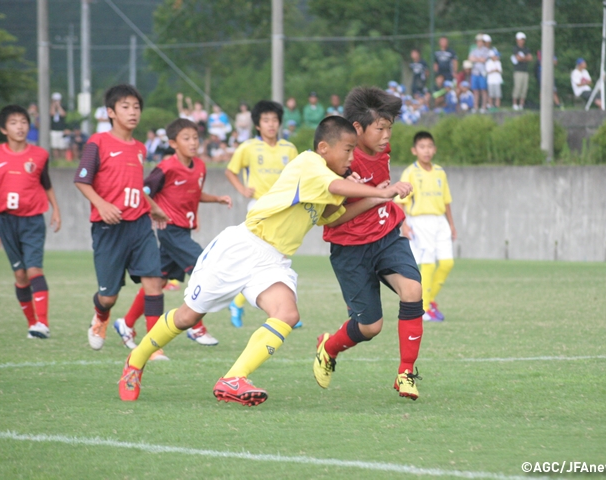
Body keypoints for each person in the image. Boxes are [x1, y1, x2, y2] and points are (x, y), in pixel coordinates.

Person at [117, 115, 413, 405]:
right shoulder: (309, 163)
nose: (352, 157)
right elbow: (335, 188)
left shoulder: (331, 178)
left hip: (273, 260)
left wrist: (377, 199)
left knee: (287, 314)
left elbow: (332, 217)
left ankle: (234, 378)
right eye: (348, 150)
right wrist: (380, 190)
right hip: (243, 247)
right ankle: (135, 361)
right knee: (187, 317)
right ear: (324, 147)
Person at [315, 86, 425, 401]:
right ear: (358, 128)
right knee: (370, 327)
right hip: (351, 250)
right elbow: (330, 219)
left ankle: (406, 373)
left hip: (387, 237)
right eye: (381, 128)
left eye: (390, 128)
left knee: (413, 290)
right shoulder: (336, 165)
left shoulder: (382, 153)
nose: (387, 135)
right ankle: (329, 347)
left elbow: (381, 190)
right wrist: (379, 193)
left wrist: (385, 196)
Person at [114, 118, 232, 349]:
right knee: (204, 267)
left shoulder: (199, 166)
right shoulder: (166, 167)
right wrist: (155, 210)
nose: (193, 142)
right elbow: (144, 190)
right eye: (186, 138)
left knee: (157, 281)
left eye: (195, 138)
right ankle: (197, 327)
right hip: (169, 230)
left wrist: (217, 198)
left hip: (183, 231)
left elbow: (193, 194)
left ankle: (126, 323)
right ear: (173, 143)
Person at [74, 84, 169, 354]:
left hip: (139, 225)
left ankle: (153, 346)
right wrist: (102, 205)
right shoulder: (98, 142)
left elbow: (135, 185)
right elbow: (82, 180)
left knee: (154, 282)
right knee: (109, 296)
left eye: (136, 107)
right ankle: (101, 317)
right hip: (109, 228)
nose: (132, 112)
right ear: (111, 112)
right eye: (125, 107)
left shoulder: (140, 147)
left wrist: (152, 206)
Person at [224, 100, 298, 328]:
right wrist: (242, 189)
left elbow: (297, 177)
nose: (271, 124)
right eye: (266, 120)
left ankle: (244, 304)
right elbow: (230, 171)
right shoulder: (248, 148)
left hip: (283, 209)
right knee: (267, 258)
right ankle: (284, 311)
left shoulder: (289, 149)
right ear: (257, 125)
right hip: (258, 208)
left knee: (279, 258)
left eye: (274, 120)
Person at [0, 105, 62, 339]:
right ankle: (32, 323)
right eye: (13, 122)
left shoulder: (40, 155)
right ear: (3, 128)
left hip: (33, 220)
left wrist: (56, 210)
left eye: (23, 121)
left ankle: (43, 323)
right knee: (20, 275)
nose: (20, 126)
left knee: (33, 270)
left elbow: (47, 183)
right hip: (6, 221)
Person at [397, 131, 456, 323]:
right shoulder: (410, 172)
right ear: (415, 150)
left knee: (447, 263)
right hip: (420, 222)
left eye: (430, 146)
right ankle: (423, 309)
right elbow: (400, 202)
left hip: (440, 221)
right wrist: (404, 225)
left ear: (434, 149)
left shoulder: (440, 172)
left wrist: (452, 225)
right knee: (428, 263)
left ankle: (429, 300)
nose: (427, 151)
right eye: (422, 147)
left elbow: (446, 200)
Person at [469, 33, 490, 112]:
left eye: (481, 41)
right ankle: (476, 106)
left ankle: (483, 106)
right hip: (475, 72)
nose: (479, 43)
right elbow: (470, 58)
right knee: (475, 91)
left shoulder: (486, 50)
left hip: (482, 73)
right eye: (478, 41)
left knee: (483, 90)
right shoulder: (474, 50)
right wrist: (479, 59)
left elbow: (484, 60)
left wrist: (476, 59)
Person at [512, 32, 532, 111]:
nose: (522, 41)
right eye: (520, 39)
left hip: (525, 71)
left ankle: (521, 104)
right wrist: (525, 58)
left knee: (524, 88)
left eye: (523, 39)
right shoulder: (515, 48)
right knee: (517, 87)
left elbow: (530, 58)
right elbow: (518, 58)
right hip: (518, 71)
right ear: (517, 40)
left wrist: (523, 58)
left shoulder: (526, 49)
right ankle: (514, 104)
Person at [50, 92, 67, 160]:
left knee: (62, 146)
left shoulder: (63, 107)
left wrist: (58, 106)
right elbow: (52, 113)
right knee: (55, 146)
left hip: (61, 130)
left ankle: (62, 159)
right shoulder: (51, 107)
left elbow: (63, 114)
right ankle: (56, 159)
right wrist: (54, 105)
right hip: (53, 129)